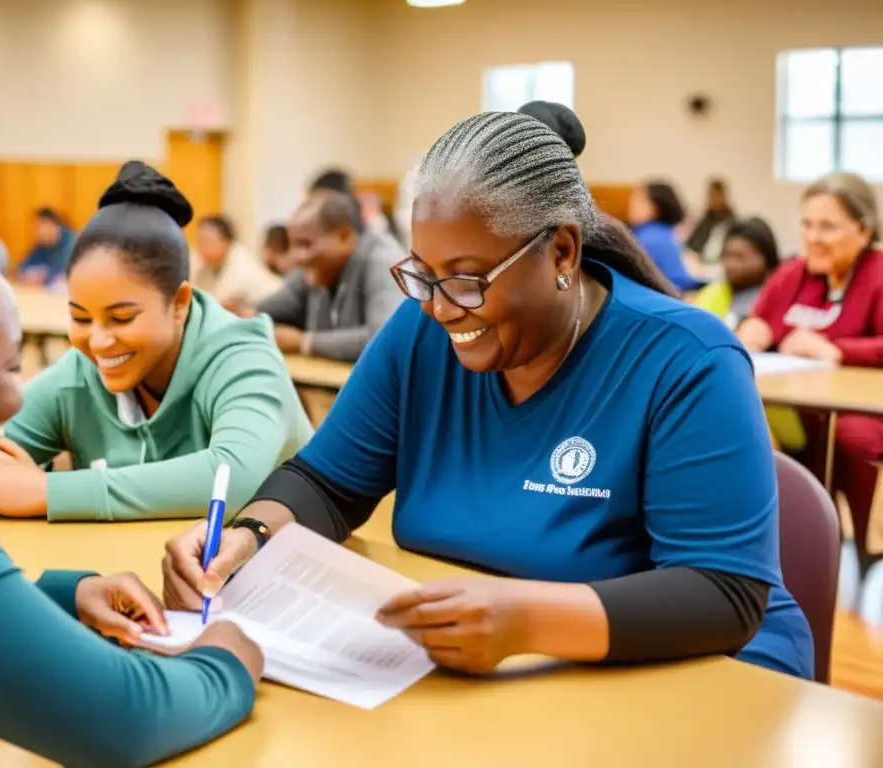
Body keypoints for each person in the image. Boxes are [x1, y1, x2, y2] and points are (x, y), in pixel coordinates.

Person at [162, 111, 814, 681]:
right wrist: (246, 538)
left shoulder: (685, 359)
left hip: (702, 674)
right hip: (501, 667)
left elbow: (723, 593)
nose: (442, 308)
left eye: (469, 280)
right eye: (424, 276)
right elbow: (327, 484)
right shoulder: (420, 335)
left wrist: (526, 619)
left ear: (561, 251)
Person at [0, 190, 262, 767]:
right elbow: (120, 720)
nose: (20, 393)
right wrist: (224, 661)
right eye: (9, 366)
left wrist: (59, 597)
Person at [0, 162, 312, 522]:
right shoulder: (80, 373)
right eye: (80, 317)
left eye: (122, 317)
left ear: (179, 304)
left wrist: (50, 492)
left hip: (277, 571)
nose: (97, 342)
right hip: (138, 572)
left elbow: (234, 477)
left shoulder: (244, 358)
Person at [736, 171, 883, 616]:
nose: (813, 237)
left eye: (828, 226)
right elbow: (756, 324)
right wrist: (752, 329)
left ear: (864, 230)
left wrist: (837, 350)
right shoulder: (791, 274)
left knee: (854, 437)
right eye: (806, 224)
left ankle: (866, 555)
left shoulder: (878, 275)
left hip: (856, 414)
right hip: (793, 413)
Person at [255, 190, 406, 362]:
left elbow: (387, 338)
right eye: (292, 245)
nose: (295, 256)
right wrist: (247, 314)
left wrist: (306, 342)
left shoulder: (383, 260)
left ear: (344, 236)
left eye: (305, 244)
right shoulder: (317, 269)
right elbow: (273, 307)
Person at [693, 217, 780, 329]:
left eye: (739, 257)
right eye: (726, 255)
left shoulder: (777, 298)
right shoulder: (716, 291)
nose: (730, 264)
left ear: (767, 258)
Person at [191, 214, 282, 309]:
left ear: (225, 241)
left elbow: (223, 300)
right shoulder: (207, 266)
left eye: (207, 240)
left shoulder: (240, 258)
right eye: (199, 240)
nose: (201, 247)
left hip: (275, 305)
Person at [628, 181, 704, 293]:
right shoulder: (665, 231)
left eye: (638, 200)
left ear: (655, 207)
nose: (631, 204)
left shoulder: (649, 237)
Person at [17, 207, 75, 290]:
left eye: (41, 225)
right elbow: (23, 267)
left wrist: (43, 275)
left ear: (53, 225)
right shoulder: (43, 244)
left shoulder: (70, 242)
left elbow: (64, 271)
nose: (38, 231)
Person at [685, 178, 736, 263]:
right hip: (698, 262)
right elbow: (692, 245)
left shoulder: (731, 222)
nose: (714, 199)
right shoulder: (706, 220)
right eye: (712, 196)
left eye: (717, 196)